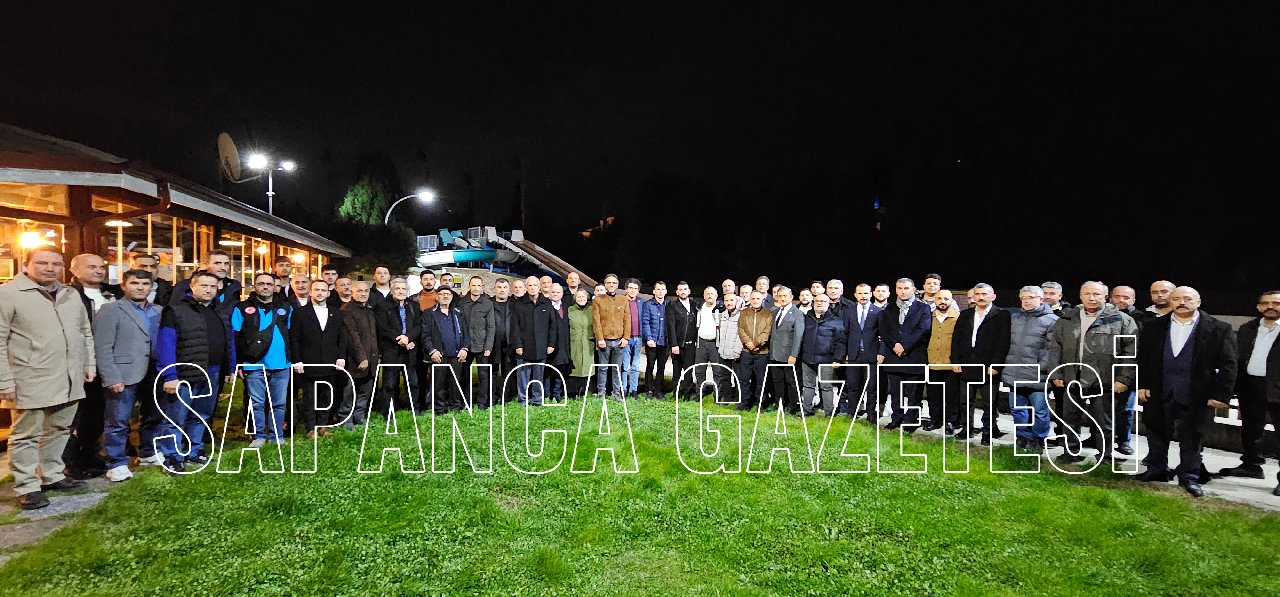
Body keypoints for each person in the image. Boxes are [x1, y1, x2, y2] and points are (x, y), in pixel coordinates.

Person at [0, 249, 96, 509]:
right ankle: (27, 486)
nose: (50, 268)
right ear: (26, 264)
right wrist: (3, 380)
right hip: (29, 376)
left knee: (59, 428)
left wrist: (88, 364)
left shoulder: (70, 294)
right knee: (26, 435)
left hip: (69, 376)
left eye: (56, 264)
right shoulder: (8, 294)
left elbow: (85, 332)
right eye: (42, 263)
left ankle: (51, 475)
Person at [1135, 287, 1237, 498]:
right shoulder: (1153, 326)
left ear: (1198, 302)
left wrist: (1220, 395)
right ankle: (1157, 469)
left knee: (1192, 436)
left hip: (1198, 394)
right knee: (1155, 431)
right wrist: (1142, 384)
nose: (1181, 302)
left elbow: (1229, 364)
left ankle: (1189, 476)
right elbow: (1144, 358)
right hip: (1159, 390)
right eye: (1176, 299)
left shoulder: (1219, 329)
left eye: (1187, 298)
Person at [1046, 281, 1137, 466]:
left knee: (1104, 422)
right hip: (1073, 377)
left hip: (1104, 379)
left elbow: (1130, 352)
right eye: (1087, 294)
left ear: (1105, 297)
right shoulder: (1067, 318)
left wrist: (1123, 378)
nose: (1091, 298)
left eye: (1096, 294)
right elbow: (1055, 347)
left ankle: (1105, 456)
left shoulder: (1121, 320)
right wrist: (1056, 373)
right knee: (1070, 418)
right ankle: (1070, 452)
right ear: (1080, 296)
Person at [155, 270, 236, 473]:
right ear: (192, 287)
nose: (209, 290)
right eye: (204, 285)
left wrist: (230, 368)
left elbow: (229, 342)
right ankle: (172, 456)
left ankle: (194, 450)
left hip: (213, 372)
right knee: (176, 417)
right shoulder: (176, 311)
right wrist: (169, 375)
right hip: (185, 373)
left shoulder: (220, 312)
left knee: (201, 415)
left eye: (213, 286)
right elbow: (166, 344)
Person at [94, 268, 164, 481]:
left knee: (153, 416)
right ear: (124, 286)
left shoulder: (159, 310)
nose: (140, 288)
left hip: (153, 372)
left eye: (145, 284)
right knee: (118, 420)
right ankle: (116, 462)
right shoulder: (111, 310)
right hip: (124, 372)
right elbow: (102, 346)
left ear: (151, 287)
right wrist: (110, 376)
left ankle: (148, 452)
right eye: (135, 283)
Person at [1217, 290, 1280, 496]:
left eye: (1276, 303)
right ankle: (1252, 465)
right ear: (1259, 307)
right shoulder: (1248, 328)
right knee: (1251, 429)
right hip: (1250, 385)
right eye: (1265, 303)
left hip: (1277, 388)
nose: (1270, 307)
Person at [65, 253, 121, 477]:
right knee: (73, 414)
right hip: (78, 361)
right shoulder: (68, 295)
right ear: (74, 270)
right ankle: (69, 461)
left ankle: (90, 453)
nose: (98, 271)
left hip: (106, 360)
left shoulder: (113, 293)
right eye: (91, 267)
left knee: (96, 412)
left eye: (101, 267)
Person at [231, 273, 292, 448]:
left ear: (275, 287)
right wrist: (238, 363)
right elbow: (236, 337)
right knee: (257, 402)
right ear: (254, 287)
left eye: (269, 284)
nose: (265, 287)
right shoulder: (242, 308)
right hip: (253, 363)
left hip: (281, 363)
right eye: (261, 284)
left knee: (279, 403)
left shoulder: (286, 307)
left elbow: (292, 334)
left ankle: (276, 436)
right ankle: (259, 436)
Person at [951, 283, 1011, 445]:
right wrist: (955, 360)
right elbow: (956, 340)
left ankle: (988, 431)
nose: (981, 297)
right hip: (967, 365)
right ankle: (967, 428)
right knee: (965, 401)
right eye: (977, 294)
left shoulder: (1001, 315)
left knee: (989, 402)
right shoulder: (965, 314)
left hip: (988, 367)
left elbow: (1003, 342)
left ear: (993, 296)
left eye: (984, 294)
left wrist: (996, 365)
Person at [1003, 286, 1060, 453]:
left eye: (1031, 297)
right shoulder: (1015, 318)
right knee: (1017, 409)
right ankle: (1022, 437)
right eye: (1024, 298)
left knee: (1040, 411)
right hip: (1015, 372)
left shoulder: (1052, 320)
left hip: (1037, 375)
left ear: (1041, 299)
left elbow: (1052, 350)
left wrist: (1041, 368)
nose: (1027, 300)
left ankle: (1038, 439)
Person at [289, 280, 347, 438]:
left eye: (323, 290)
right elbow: (294, 339)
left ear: (328, 293)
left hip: (330, 361)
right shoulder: (300, 313)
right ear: (310, 292)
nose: (320, 293)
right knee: (309, 397)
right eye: (317, 290)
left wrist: (341, 357)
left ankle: (323, 425)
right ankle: (311, 428)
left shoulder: (336, 312)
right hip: (308, 362)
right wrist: (297, 360)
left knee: (326, 396)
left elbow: (341, 337)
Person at [878, 278, 932, 431]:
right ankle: (896, 418)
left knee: (913, 393)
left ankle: (911, 420)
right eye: (900, 288)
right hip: (894, 356)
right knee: (896, 392)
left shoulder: (923, 308)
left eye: (906, 288)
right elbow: (885, 330)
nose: (903, 291)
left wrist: (905, 346)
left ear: (913, 289)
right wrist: (894, 345)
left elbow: (923, 329)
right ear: (896, 290)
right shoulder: (889, 309)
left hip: (914, 356)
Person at [420, 286, 470, 413]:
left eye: (448, 294)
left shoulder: (458, 313)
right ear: (437, 296)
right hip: (439, 355)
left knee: (455, 383)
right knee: (438, 384)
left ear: (452, 297)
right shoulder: (429, 313)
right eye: (442, 294)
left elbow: (466, 333)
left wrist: (465, 348)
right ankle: (439, 409)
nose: (446, 296)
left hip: (457, 354)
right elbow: (425, 335)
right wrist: (432, 351)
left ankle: (455, 407)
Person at [375, 278, 421, 414]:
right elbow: (384, 328)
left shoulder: (413, 305)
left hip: (410, 350)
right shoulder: (382, 306)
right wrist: (401, 339)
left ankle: (414, 409)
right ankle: (387, 412)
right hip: (391, 350)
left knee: (413, 382)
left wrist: (409, 338)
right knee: (389, 383)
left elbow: (418, 325)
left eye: (404, 289)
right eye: (397, 288)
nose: (401, 291)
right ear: (391, 290)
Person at [512, 275, 558, 405]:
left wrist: (551, 344)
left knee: (539, 375)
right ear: (526, 287)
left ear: (539, 287)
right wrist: (517, 344)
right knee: (523, 376)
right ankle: (523, 400)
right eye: (530, 285)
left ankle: (537, 399)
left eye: (535, 285)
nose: (532, 288)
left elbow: (553, 325)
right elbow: (514, 326)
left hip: (541, 346)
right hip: (524, 346)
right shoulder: (519, 304)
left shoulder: (547, 303)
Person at [340, 281, 380, 427]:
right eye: (359, 291)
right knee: (350, 390)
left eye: (365, 291)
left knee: (365, 389)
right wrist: (361, 357)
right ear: (352, 292)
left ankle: (359, 416)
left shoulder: (369, 310)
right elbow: (352, 337)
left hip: (371, 357)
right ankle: (346, 418)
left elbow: (373, 335)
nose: (363, 294)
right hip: (354, 359)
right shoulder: (347, 310)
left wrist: (376, 355)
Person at [800, 293, 847, 417]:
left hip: (827, 360)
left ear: (829, 304)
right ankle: (806, 411)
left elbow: (841, 342)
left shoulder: (836, 321)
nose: (819, 303)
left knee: (826, 387)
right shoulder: (806, 318)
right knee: (808, 386)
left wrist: (837, 359)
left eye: (823, 301)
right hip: (807, 359)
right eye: (817, 301)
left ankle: (829, 413)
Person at [842, 283, 883, 421]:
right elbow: (845, 333)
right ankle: (852, 412)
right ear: (855, 295)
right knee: (853, 385)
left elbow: (883, 335)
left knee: (871, 387)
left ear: (871, 294)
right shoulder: (849, 310)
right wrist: (845, 353)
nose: (863, 296)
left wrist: (881, 353)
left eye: (866, 293)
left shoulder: (878, 311)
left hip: (871, 355)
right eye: (860, 293)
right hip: (854, 354)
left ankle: (871, 414)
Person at [924, 290, 961, 433]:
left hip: (950, 364)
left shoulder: (958, 317)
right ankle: (935, 420)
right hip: (932, 363)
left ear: (951, 300)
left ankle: (951, 422)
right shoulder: (928, 316)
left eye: (946, 298)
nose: (942, 301)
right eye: (939, 298)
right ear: (935, 300)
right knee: (933, 395)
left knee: (951, 396)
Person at [456, 275, 496, 406]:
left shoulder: (488, 304)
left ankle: (482, 402)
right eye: (473, 285)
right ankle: (466, 401)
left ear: (483, 287)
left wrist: (488, 346)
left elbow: (491, 326)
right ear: (469, 286)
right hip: (465, 346)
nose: (476, 288)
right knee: (464, 375)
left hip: (482, 345)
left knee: (483, 375)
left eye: (479, 285)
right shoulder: (461, 303)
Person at [592, 274, 630, 398]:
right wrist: (600, 338)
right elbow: (596, 321)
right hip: (604, 340)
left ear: (617, 285)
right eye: (609, 283)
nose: (611, 285)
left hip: (619, 340)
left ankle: (616, 393)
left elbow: (627, 320)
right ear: (605, 284)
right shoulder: (598, 300)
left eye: (614, 283)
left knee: (617, 368)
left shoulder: (623, 300)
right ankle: (601, 392)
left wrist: (626, 337)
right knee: (603, 368)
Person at [768, 286, 805, 413]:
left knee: (791, 381)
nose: (782, 298)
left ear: (791, 297)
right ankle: (780, 403)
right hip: (775, 353)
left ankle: (793, 405)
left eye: (785, 296)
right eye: (780, 296)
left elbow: (798, 336)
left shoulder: (798, 314)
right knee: (777, 380)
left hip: (788, 355)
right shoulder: (775, 312)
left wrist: (794, 354)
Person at [171, 251, 243, 312]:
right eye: (217, 263)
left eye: (226, 264)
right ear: (206, 265)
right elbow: (174, 312)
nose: (223, 268)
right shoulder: (185, 286)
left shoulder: (234, 287)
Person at [738, 290, 773, 410]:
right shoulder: (744, 313)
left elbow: (767, 331)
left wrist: (755, 343)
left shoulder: (768, 313)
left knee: (761, 380)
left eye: (758, 298)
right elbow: (741, 329)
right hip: (746, 352)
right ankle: (745, 403)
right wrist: (748, 343)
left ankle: (760, 404)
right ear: (750, 299)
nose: (755, 301)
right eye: (753, 298)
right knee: (744, 379)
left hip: (762, 352)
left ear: (762, 299)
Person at [666, 281, 697, 397]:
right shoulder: (672, 306)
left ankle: (687, 394)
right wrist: (674, 344)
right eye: (680, 289)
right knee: (677, 371)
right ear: (677, 292)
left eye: (685, 289)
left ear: (689, 291)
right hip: (678, 345)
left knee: (689, 371)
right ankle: (677, 392)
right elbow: (671, 326)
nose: (683, 291)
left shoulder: (695, 305)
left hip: (691, 345)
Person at [641, 281, 670, 398]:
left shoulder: (669, 305)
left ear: (666, 291)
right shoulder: (648, 304)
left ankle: (658, 390)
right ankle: (648, 389)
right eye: (658, 289)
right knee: (650, 366)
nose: (660, 292)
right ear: (654, 291)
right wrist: (648, 338)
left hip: (665, 342)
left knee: (661, 368)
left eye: (663, 289)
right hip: (652, 342)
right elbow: (645, 322)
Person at [715, 293, 745, 404]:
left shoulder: (741, 315)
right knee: (725, 377)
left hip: (735, 353)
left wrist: (737, 351)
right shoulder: (723, 315)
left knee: (738, 378)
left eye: (732, 300)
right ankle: (727, 399)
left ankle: (738, 400)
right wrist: (720, 348)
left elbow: (741, 334)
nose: (729, 303)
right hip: (723, 352)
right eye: (727, 300)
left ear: (736, 301)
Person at [491, 278, 517, 405]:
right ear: (495, 289)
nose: (502, 290)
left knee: (508, 371)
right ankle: (493, 396)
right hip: (493, 344)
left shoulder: (513, 305)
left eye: (505, 287)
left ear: (509, 289)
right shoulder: (489, 304)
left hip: (509, 344)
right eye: (499, 287)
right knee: (493, 371)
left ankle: (506, 397)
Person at [567, 289, 596, 396]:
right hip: (574, 342)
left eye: (583, 296)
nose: (581, 298)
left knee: (588, 366)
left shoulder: (592, 309)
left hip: (589, 342)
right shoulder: (570, 310)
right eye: (578, 297)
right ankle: (573, 392)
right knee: (575, 366)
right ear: (575, 298)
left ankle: (587, 391)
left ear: (587, 298)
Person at [545, 283, 572, 399]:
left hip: (563, 345)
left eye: (558, 292)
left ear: (562, 294)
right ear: (549, 293)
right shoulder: (545, 306)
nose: (555, 294)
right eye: (553, 292)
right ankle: (546, 395)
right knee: (548, 371)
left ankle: (557, 394)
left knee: (560, 370)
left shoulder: (566, 306)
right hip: (549, 345)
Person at [693, 286, 722, 392]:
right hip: (701, 342)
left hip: (716, 344)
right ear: (704, 296)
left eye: (712, 294)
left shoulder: (721, 308)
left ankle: (717, 394)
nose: (710, 296)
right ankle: (700, 393)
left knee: (717, 371)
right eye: (707, 294)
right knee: (699, 370)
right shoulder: (698, 308)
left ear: (716, 296)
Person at [621, 278, 644, 395]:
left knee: (635, 366)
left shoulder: (641, 302)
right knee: (624, 365)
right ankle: (623, 389)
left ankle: (633, 389)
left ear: (638, 290)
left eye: (635, 288)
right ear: (626, 289)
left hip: (638, 338)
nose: (633, 290)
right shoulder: (621, 301)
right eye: (630, 288)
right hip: (625, 338)